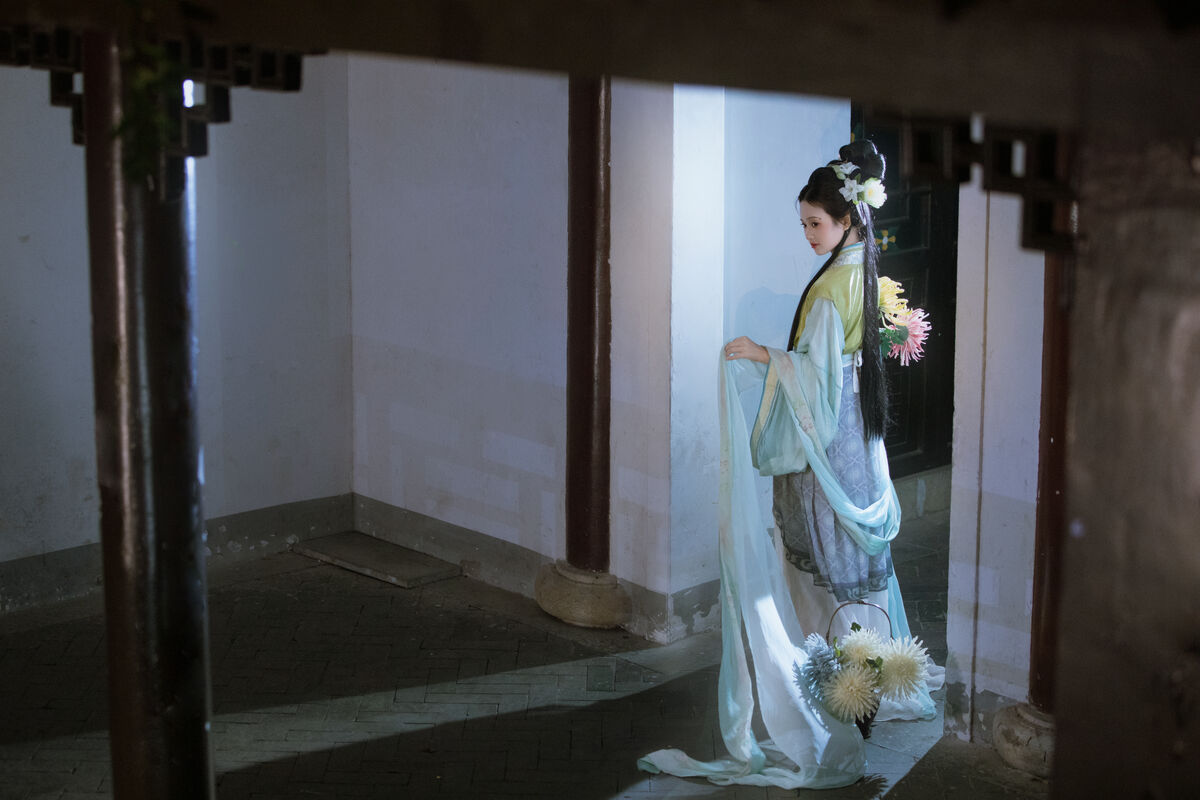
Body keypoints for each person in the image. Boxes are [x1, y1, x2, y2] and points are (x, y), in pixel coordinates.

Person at [639, 141, 941, 790]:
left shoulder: (831, 287)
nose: (808, 235)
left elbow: (817, 379)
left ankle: (841, 693)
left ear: (847, 218)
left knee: (825, 565)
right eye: (804, 223)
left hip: (828, 438)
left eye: (815, 223)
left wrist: (761, 354)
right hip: (860, 435)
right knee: (855, 567)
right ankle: (869, 682)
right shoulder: (865, 264)